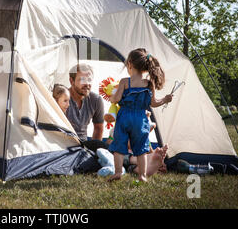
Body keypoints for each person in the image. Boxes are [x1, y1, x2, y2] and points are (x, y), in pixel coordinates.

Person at [108, 48, 173, 182]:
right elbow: (153, 103)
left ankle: (118, 172)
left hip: (124, 117)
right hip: (140, 118)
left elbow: (116, 99)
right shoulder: (149, 84)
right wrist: (165, 99)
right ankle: (142, 175)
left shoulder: (125, 82)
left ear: (130, 64)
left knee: (119, 146)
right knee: (141, 148)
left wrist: (111, 97)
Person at [65, 63, 108, 152]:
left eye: (89, 79)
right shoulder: (62, 98)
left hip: (84, 145)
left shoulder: (96, 100)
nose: (87, 84)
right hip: (64, 146)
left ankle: (128, 160)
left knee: (107, 147)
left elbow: (98, 128)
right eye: (82, 80)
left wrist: (94, 152)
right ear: (71, 81)